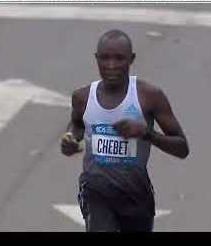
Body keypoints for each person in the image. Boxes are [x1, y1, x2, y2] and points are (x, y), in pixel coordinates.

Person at [61, 29, 189, 232]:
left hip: (135, 194)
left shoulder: (149, 96)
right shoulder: (82, 97)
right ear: (96, 59)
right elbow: (77, 124)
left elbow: (182, 148)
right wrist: (69, 139)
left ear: (131, 59)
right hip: (96, 190)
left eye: (119, 58)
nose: (111, 65)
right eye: (104, 58)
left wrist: (146, 133)